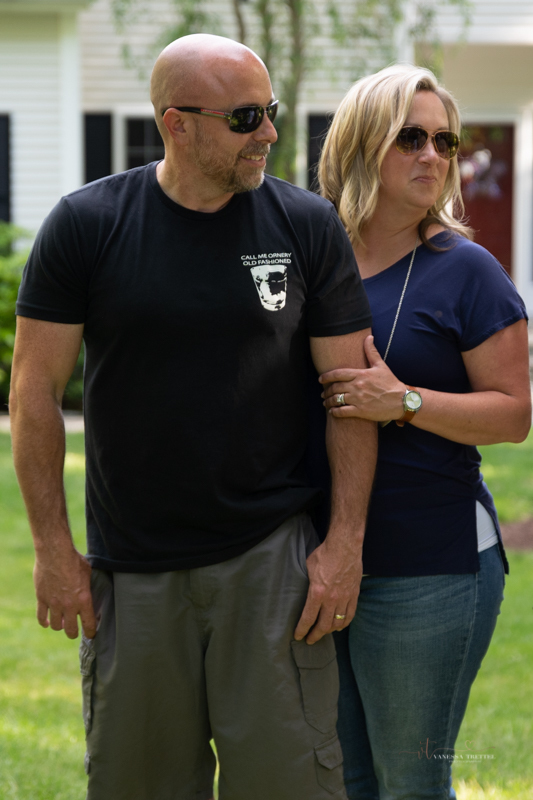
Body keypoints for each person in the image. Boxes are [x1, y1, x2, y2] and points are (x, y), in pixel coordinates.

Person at [9, 34, 377, 800]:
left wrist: (343, 544)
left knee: (290, 787)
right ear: (177, 124)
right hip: (131, 569)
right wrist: (53, 549)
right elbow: (33, 392)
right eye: (246, 118)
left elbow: (348, 393)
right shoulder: (87, 225)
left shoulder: (306, 226)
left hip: (270, 563)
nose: (269, 133)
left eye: (269, 112)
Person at [315, 64, 531, 800]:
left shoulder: (466, 270)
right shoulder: (314, 257)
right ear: (359, 143)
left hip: (430, 566)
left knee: (408, 783)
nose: (433, 157)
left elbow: (512, 412)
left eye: (445, 141)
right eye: (410, 137)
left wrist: (402, 400)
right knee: (342, 779)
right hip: (315, 560)